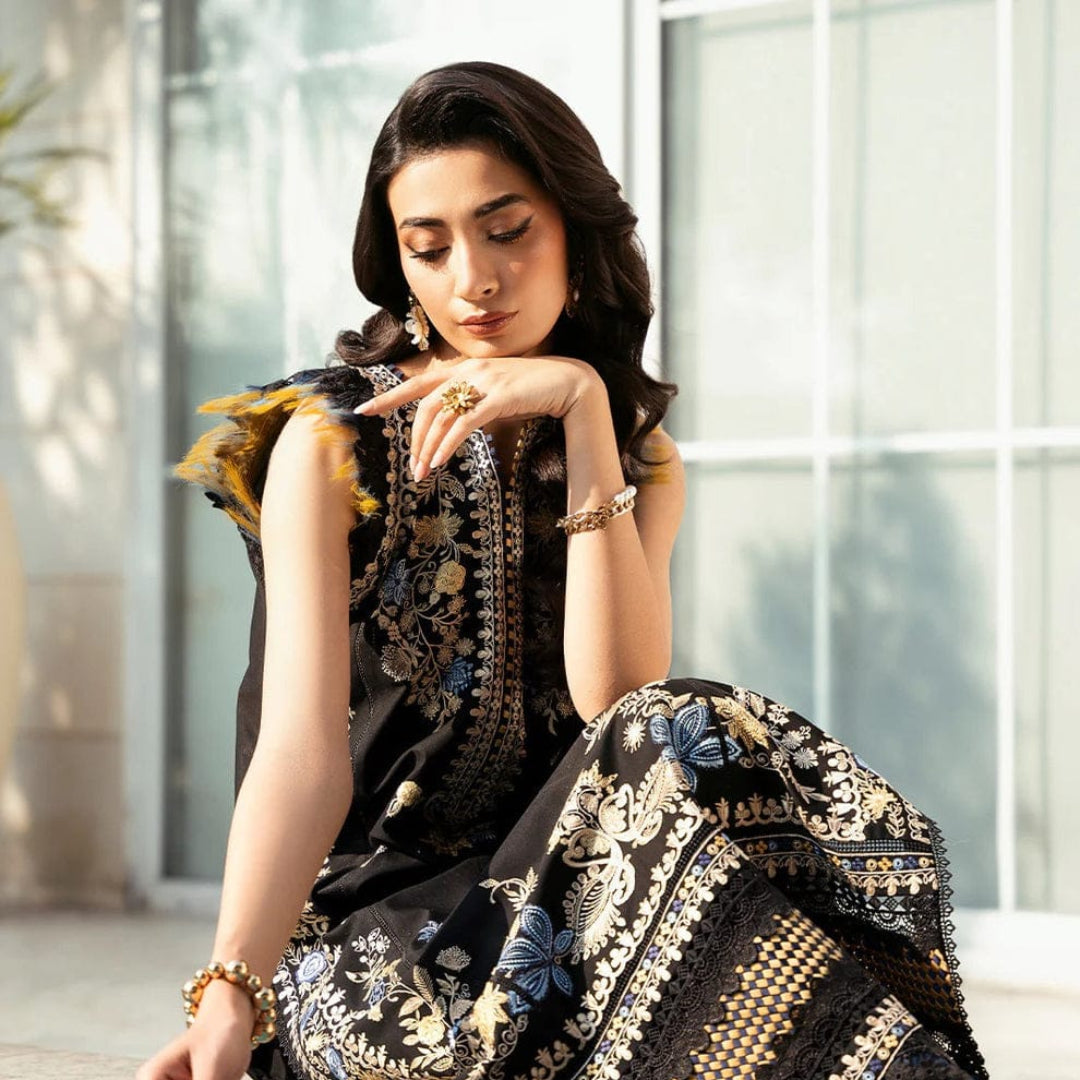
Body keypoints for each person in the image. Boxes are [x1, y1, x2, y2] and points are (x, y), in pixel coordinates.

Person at [140, 61, 987, 1080]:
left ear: (575, 234)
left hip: (559, 907)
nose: (474, 279)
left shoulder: (640, 458)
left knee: (699, 738)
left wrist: (587, 411)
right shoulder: (331, 443)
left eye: (508, 230)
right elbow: (300, 752)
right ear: (397, 265)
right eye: (430, 246)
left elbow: (619, 701)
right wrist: (230, 989)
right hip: (366, 938)